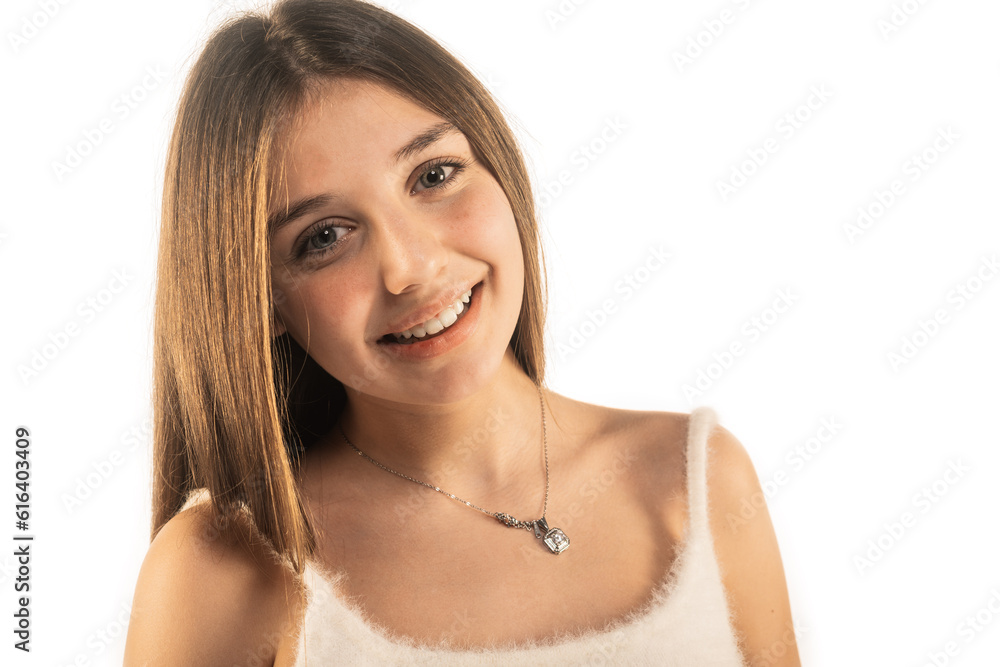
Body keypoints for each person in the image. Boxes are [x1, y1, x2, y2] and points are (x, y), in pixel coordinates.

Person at [124, 0, 800, 664]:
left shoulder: (699, 480)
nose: (410, 268)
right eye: (324, 237)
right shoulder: (224, 566)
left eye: (434, 175)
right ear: (259, 296)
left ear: (498, 165)